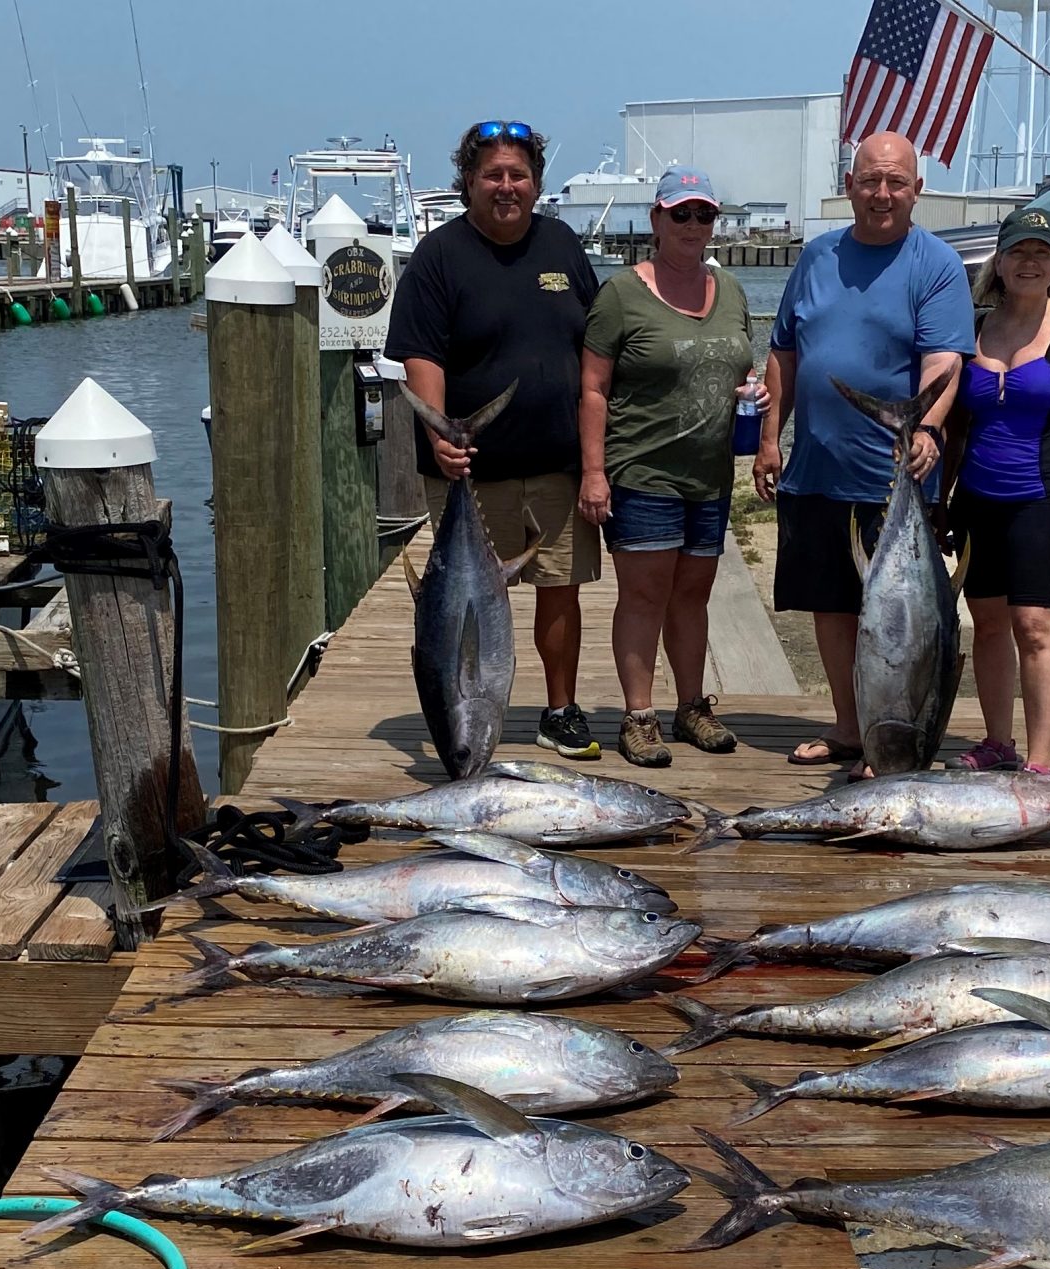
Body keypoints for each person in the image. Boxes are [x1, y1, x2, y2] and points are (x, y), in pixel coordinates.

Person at [753, 131, 975, 777]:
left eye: (895, 182)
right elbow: (785, 350)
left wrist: (928, 428)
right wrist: (771, 438)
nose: (882, 194)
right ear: (849, 185)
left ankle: (892, 734)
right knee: (831, 605)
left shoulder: (934, 263)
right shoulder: (817, 256)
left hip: (893, 473)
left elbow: (943, 359)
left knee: (899, 619)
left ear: (916, 190)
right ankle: (851, 726)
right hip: (817, 464)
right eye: (870, 181)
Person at [384, 120, 604, 761]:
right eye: (493, 175)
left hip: (557, 459)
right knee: (465, 608)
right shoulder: (439, 257)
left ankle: (559, 711)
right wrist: (440, 432)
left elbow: (595, 343)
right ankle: (469, 706)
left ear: (536, 183)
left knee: (560, 586)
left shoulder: (561, 244)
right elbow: (421, 354)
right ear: (468, 184)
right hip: (472, 472)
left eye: (518, 175)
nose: (506, 187)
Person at [577, 166, 767, 768]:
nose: (692, 225)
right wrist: (594, 471)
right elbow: (593, 389)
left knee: (693, 594)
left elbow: (742, 367)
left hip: (708, 476)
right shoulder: (620, 294)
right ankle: (639, 715)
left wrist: (754, 396)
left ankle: (692, 707)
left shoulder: (731, 290)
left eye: (703, 215)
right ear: (656, 219)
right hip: (640, 471)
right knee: (644, 594)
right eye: (680, 213)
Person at [942, 204, 1050, 776]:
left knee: (1034, 628)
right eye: (1019, 252)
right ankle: (997, 742)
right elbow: (956, 425)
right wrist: (942, 498)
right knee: (986, 624)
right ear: (1000, 261)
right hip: (977, 500)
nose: (1030, 263)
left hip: (1043, 500)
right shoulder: (974, 326)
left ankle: (1039, 761)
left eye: (1041, 253)